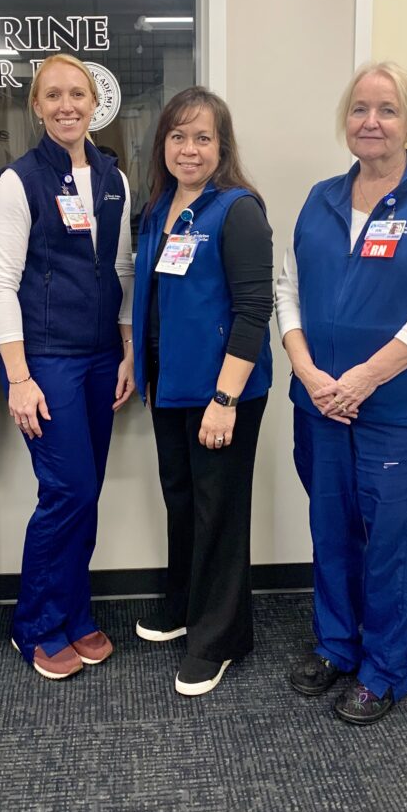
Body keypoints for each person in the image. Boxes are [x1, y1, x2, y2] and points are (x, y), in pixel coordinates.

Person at [276, 61, 407, 724]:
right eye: (360, 109)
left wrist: (365, 377)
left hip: (405, 409)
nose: (371, 121)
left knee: (392, 542)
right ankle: (338, 645)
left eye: (387, 110)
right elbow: (288, 289)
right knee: (331, 529)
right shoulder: (321, 199)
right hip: (322, 404)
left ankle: (385, 670)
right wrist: (307, 371)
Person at [0, 53, 135, 680]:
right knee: (66, 490)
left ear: (95, 104)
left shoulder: (112, 177)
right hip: (45, 359)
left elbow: (122, 268)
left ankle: (74, 613)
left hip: (102, 355)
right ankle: (37, 626)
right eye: (54, 95)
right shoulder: (17, 182)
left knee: (86, 491)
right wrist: (19, 378)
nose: (67, 105)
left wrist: (127, 349)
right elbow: (0, 283)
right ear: (37, 106)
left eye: (78, 94)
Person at [132, 87, 273, 697]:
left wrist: (225, 400)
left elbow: (253, 311)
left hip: (222, 392)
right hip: (170, 384)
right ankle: (185, 605)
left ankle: (219, 640)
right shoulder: (158, 208)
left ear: (222, 146)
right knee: (182, 499)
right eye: (178, 136)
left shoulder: (237, 210)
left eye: (202, 138)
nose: (188, 149)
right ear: (162, 144)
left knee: (219, 509)